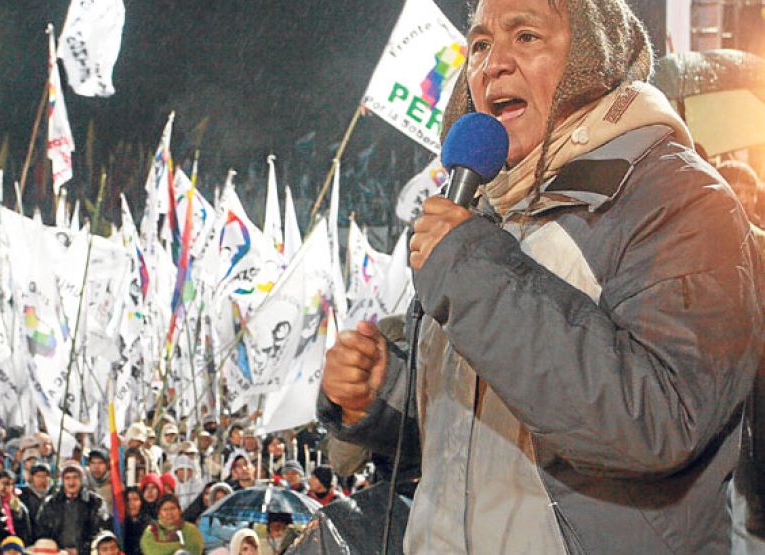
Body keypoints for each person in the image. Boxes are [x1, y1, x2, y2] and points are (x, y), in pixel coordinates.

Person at [318, 0, 765, 553]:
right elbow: (487, 435)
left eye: (525, 36)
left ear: (590, 57)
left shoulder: (680, 199)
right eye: (479, 44)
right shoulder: (485, 214)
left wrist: (472, 271)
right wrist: (380, 393)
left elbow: (659, 421)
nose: (491, 64)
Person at [34, 461, 112, 555]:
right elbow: (42, 532)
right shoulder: (50, 504)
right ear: (62, 481)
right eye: (67, 478)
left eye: (75, 477)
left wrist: (81, 550)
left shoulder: (95, 502)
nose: (71, 482)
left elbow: (100, 533)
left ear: (81, 479)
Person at [139, 494, 204, 555]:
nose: (169, 513)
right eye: (165, 510)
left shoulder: (191, 529)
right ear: (159, 513)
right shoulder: (151, 530)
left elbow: (195, 550)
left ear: (180, 510)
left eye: (172, 508)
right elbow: (150, 551)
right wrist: (178, 545)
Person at [0, 469, 33, 545]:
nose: (5, 487)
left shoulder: (19, 507)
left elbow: (25, 531)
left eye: (9, 484)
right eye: (3, 483)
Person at [20, 461, 54, 531]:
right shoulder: (24, 494)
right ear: (32, 478)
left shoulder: (54, 494)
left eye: (45, 476)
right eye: (38, 476)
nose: (42, 479)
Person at [85, 449, 114, 515]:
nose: (96, 467)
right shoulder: (83, 485)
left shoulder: (115, 486)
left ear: (107, 465)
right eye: (93, 463)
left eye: (100, 463)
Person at [122, 486, 150, 555]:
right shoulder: (121, 525)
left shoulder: (149, 524)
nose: (131, 503)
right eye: (128, 500)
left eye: (135, 499)